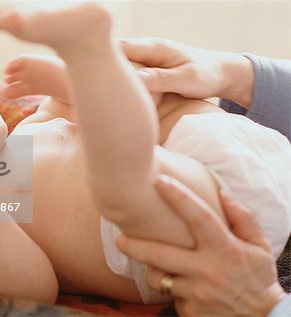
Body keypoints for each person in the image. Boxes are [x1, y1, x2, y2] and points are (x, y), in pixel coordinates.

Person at [0, 3, 289, 306]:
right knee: (121, 180)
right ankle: (90, 53)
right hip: (179, 234)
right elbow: (31, 289)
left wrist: (57, 86)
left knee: (158, 103)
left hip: (228, 150)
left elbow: (87, 110)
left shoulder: (30, 126)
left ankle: (92, 60)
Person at [116, 38, 291, 316]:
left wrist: (264, 304)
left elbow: (33, 284)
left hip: (217, 214)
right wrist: (240, 76)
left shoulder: (21, 186)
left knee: (122, 164)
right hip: (241, 173)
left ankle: (91, 60)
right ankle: (92, 60)